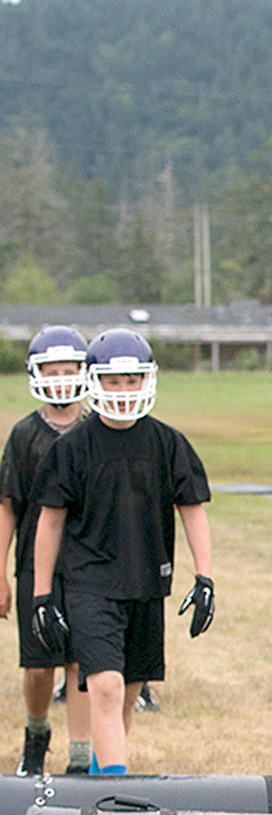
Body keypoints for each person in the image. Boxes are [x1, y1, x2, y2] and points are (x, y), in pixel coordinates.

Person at [29, 329, 214, 775]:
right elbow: (50, 521)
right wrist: (40, 596)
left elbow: (192, 510)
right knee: (107, 687)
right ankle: (114, 793)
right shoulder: (71, 448)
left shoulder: (168, 443)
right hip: (89, 586)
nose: (124, 390)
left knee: (128, 693)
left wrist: (205, 578)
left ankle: (100, 778)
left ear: (148, 380)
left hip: (146, 583)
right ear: (94, 381)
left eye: (133, 380)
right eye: (114, 380)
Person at [0, 326, 93, 775]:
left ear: (83, 372)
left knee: (80, 662)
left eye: (68, 370)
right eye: (50, 371)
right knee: (40, 667)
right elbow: (7, 508)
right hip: (35, 568)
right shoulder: (24, 436)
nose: (60, 379)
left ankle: (79, 757)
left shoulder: (99, 429)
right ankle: (36, 736)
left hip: (89, 566)